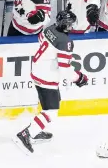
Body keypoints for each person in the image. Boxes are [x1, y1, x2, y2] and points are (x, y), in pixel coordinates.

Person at [12, 10, 89, 155]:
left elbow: (40, 40)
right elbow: (65, 69)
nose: (72, 27)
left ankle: (35, 130)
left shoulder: (50, 29)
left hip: (36, 69)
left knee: (52, 102)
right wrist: (79, 78)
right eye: (71, 24)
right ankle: (26, 134)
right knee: (51, 111)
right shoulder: (65, 42)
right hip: (46, 77)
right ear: (66, 25)